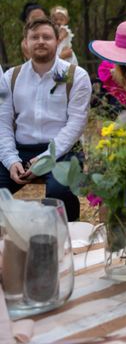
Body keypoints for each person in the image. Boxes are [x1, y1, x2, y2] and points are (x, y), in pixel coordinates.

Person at [0, 17, 92, 221]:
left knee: (61, 192)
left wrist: (45, 158)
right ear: (26, 42)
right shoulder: (10, 77)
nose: (40, 41)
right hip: (21, 148)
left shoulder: (77, 76)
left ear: (57, 41)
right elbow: (3, 122)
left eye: (47, 37)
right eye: (34, 37)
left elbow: (76, 125)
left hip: (63, 149)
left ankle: (67, 240)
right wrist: (10, 159)